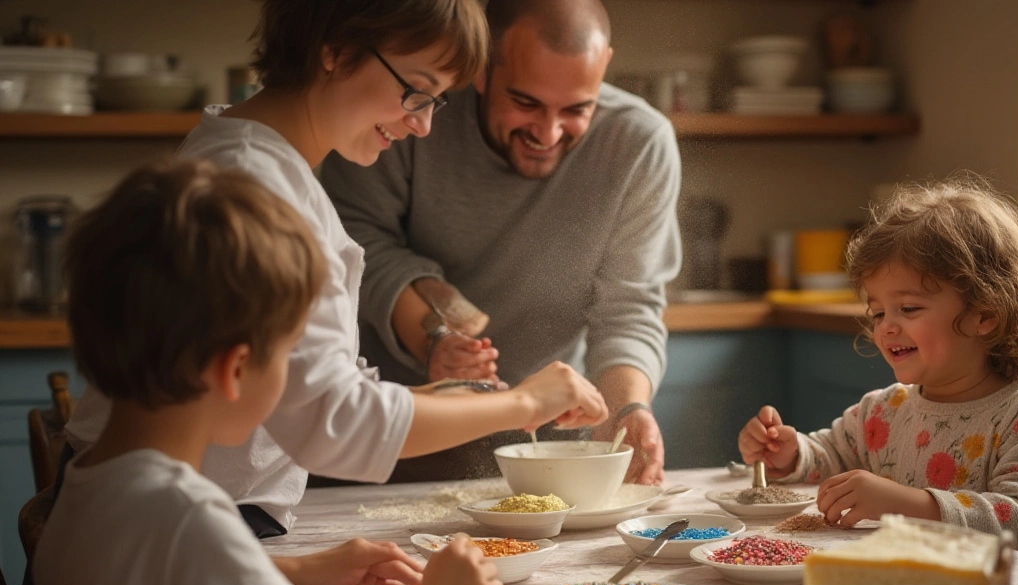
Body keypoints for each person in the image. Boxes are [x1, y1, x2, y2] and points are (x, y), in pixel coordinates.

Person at [62, 0, 610, 537]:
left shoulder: (254, 156)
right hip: (166, 529)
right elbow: (334, 422)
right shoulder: (257, 190)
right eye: (416, 90)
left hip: (181, 519)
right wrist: (525, 403)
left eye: (435, 102)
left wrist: (482, 400)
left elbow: (320, 389)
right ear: (338, 51)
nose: (421, 124)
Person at [35, 159, 505, 585]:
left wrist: (297, 571)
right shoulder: (184, 513)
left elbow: (156, 577)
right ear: (234, 371)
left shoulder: (94, 484)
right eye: (290, 356)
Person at [320, 0, 681, 486]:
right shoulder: (406, 116)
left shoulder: (638, 143)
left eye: (577, 109)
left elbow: (628, 306)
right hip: (389, 435)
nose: (548, 133)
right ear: (483, 69)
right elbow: (357, 241)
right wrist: (435, 337)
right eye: (527, 103)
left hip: (543, 451)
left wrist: (628, 408)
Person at [737, 178, 1018, 562]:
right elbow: (829, 453)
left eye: (909, 308)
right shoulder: (884, 412)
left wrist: (907, 504)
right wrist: (789, 453)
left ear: (984, 314)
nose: (885, 327)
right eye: (878, 311)